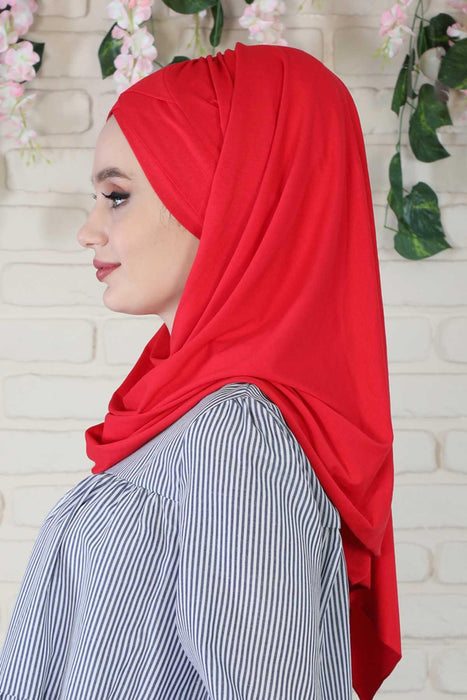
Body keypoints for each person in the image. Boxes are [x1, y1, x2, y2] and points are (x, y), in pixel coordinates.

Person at [0, 42, 401, 699]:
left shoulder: (236, 436)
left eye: (117, 196)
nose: (88, 231)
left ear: (222, 198)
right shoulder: (189, 418)